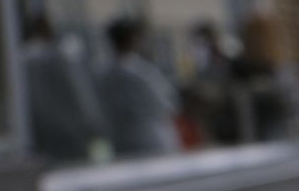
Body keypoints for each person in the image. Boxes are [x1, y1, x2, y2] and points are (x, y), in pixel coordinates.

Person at [21, 15, 108, 162]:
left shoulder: (23, 59)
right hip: (71, 130)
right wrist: (93, 122)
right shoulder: (60, 56)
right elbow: (79, 91)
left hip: (42, 131)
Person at [97, 17, 182, 157]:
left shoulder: (104, 75)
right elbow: (167, 104)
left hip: (121, 141)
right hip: (151, 139)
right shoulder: (143, 72)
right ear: (133, 39)